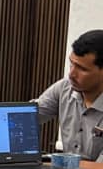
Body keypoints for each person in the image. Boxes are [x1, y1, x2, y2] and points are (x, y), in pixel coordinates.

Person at [35, 29, 103, 161]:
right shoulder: (64, 88)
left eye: (82, 69)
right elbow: (25, 118)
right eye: (72, 63)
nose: (71, 74)